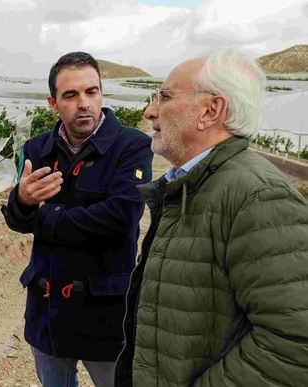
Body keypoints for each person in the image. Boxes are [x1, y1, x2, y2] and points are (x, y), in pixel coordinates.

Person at [115, 49, 308, 386]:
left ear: (210, 110)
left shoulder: (257, 196)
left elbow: (294, 343)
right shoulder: (194, 183)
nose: (150, 111)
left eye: (165, 96)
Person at [1, 51, 153, 387]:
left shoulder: (132, 147)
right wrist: (23, 201)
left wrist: (44, 218)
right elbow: (16, 219)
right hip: (47, 312)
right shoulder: (36, 149)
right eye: (70, 95)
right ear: (53, 103)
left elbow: (121, 216)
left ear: (101, 93)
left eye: (91, 92)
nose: (83, 103)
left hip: (105, 313)